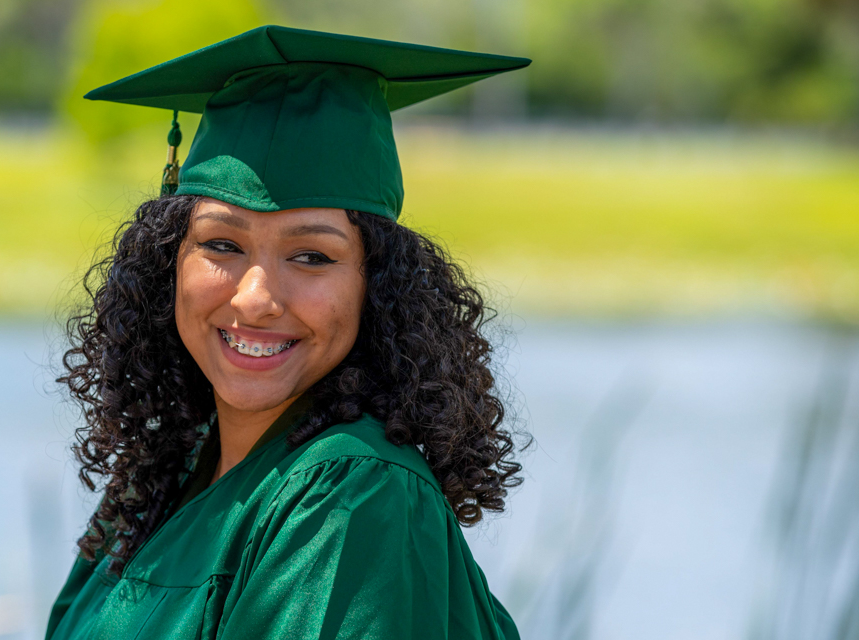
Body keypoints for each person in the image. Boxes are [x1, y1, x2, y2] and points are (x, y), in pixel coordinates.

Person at [47, 25, 529, 640]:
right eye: (221, 245)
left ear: (375, 287)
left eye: (312, 257)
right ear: (169, 263)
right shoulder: (164, 477)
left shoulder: (353, 490)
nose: (255, 299)